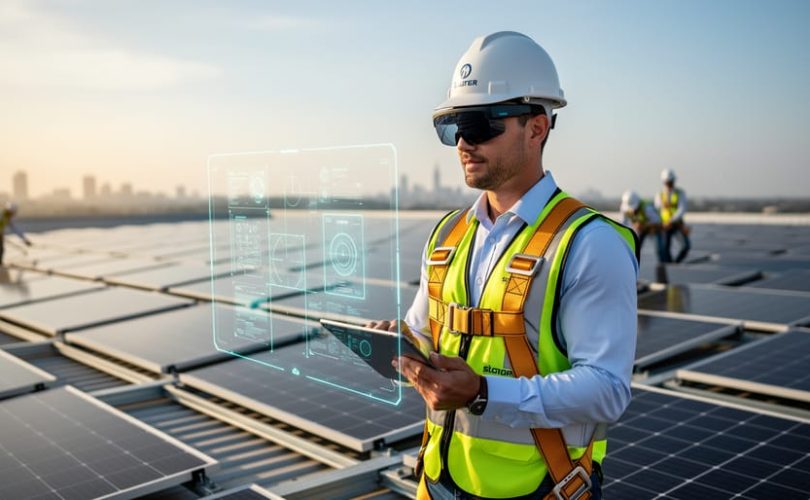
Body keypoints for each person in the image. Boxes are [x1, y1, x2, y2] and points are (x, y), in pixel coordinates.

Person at [368, 32, 638, 499]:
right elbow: (427, 336)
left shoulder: (589, 244)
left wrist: (483, 394)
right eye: (452, 127)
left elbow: (607, 391)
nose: (463, 144)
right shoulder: (447, 237)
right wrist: (398, 346)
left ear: (536, 128)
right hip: (437, 481)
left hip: (540, 489)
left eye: (479, 125)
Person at [654, 169, 690, 263]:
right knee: (665, 248)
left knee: (686, 246)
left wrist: (672, 220)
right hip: (665, 226)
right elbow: (657, 210)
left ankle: (676, 263)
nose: (669, 184)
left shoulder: (680, 193)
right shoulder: (660, 195)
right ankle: (669, 266)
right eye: (667, 182)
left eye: (671, 182)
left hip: (677, 224)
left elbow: (682, 209)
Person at [620, 189, 665, 262]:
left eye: (635, 209)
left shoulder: (647, 208)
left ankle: (664, 263)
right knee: (636, 246)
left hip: (654, 227)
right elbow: (623, 223)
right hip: (641, 229)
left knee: (660, 249)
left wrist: (644, 225)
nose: (633, 211)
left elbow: (658, 221)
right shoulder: (624, 208)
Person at [0, 202, 32, 266]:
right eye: (12, 213)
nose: (13, 215)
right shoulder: (2, 215)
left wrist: (24, 239)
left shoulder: (7, 218)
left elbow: (16, 229)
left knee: (1, 249)